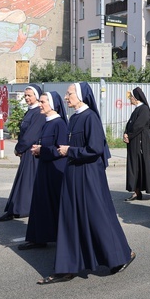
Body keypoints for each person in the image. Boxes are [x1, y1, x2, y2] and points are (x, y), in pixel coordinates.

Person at [39, 82, 134, 285]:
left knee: (97, 217)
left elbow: (95, 149)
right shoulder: (74, 118)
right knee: (70, 219)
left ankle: (120, 256)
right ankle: (68, 266)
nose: (66, 98)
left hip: (89, 175)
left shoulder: (90, 117)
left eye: (69, 93)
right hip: (73, 173)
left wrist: (69, 151)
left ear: (80, 96)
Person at [19, 92, 68, 250]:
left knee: (54, 205)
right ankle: (38, 237)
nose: (40, 104)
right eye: (39, 101)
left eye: (43, 101)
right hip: (44, 167)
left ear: (52, 104)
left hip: (55, 170)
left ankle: (63, 238)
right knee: (40, 204)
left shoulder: (59, 124)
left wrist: (42, 150)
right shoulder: (47, 122)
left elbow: (61, 149)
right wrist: (39, 150)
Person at [0, 85, 46, 221]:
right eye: (25, 95)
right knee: (25, 181)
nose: (26, 98)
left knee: (26, 182)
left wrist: (19, 148)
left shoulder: (38, 112)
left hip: (32, 152)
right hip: (27, 151)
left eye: (29, 95)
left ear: (36, 96)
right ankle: (20, 208)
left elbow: (31, 135)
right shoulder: (30, 111)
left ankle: (20, 209)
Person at [123, 87, 150, 201]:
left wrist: (129, 135)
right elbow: (130, 124)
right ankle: (136, 192)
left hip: (143, 142)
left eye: (130, 97)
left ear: (136, 98)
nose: (129, 99)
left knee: (146, 165)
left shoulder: (144, 109)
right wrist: (125, 133)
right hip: (134, 142)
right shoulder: (137, 109)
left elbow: (139, 125)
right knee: (135, 167)